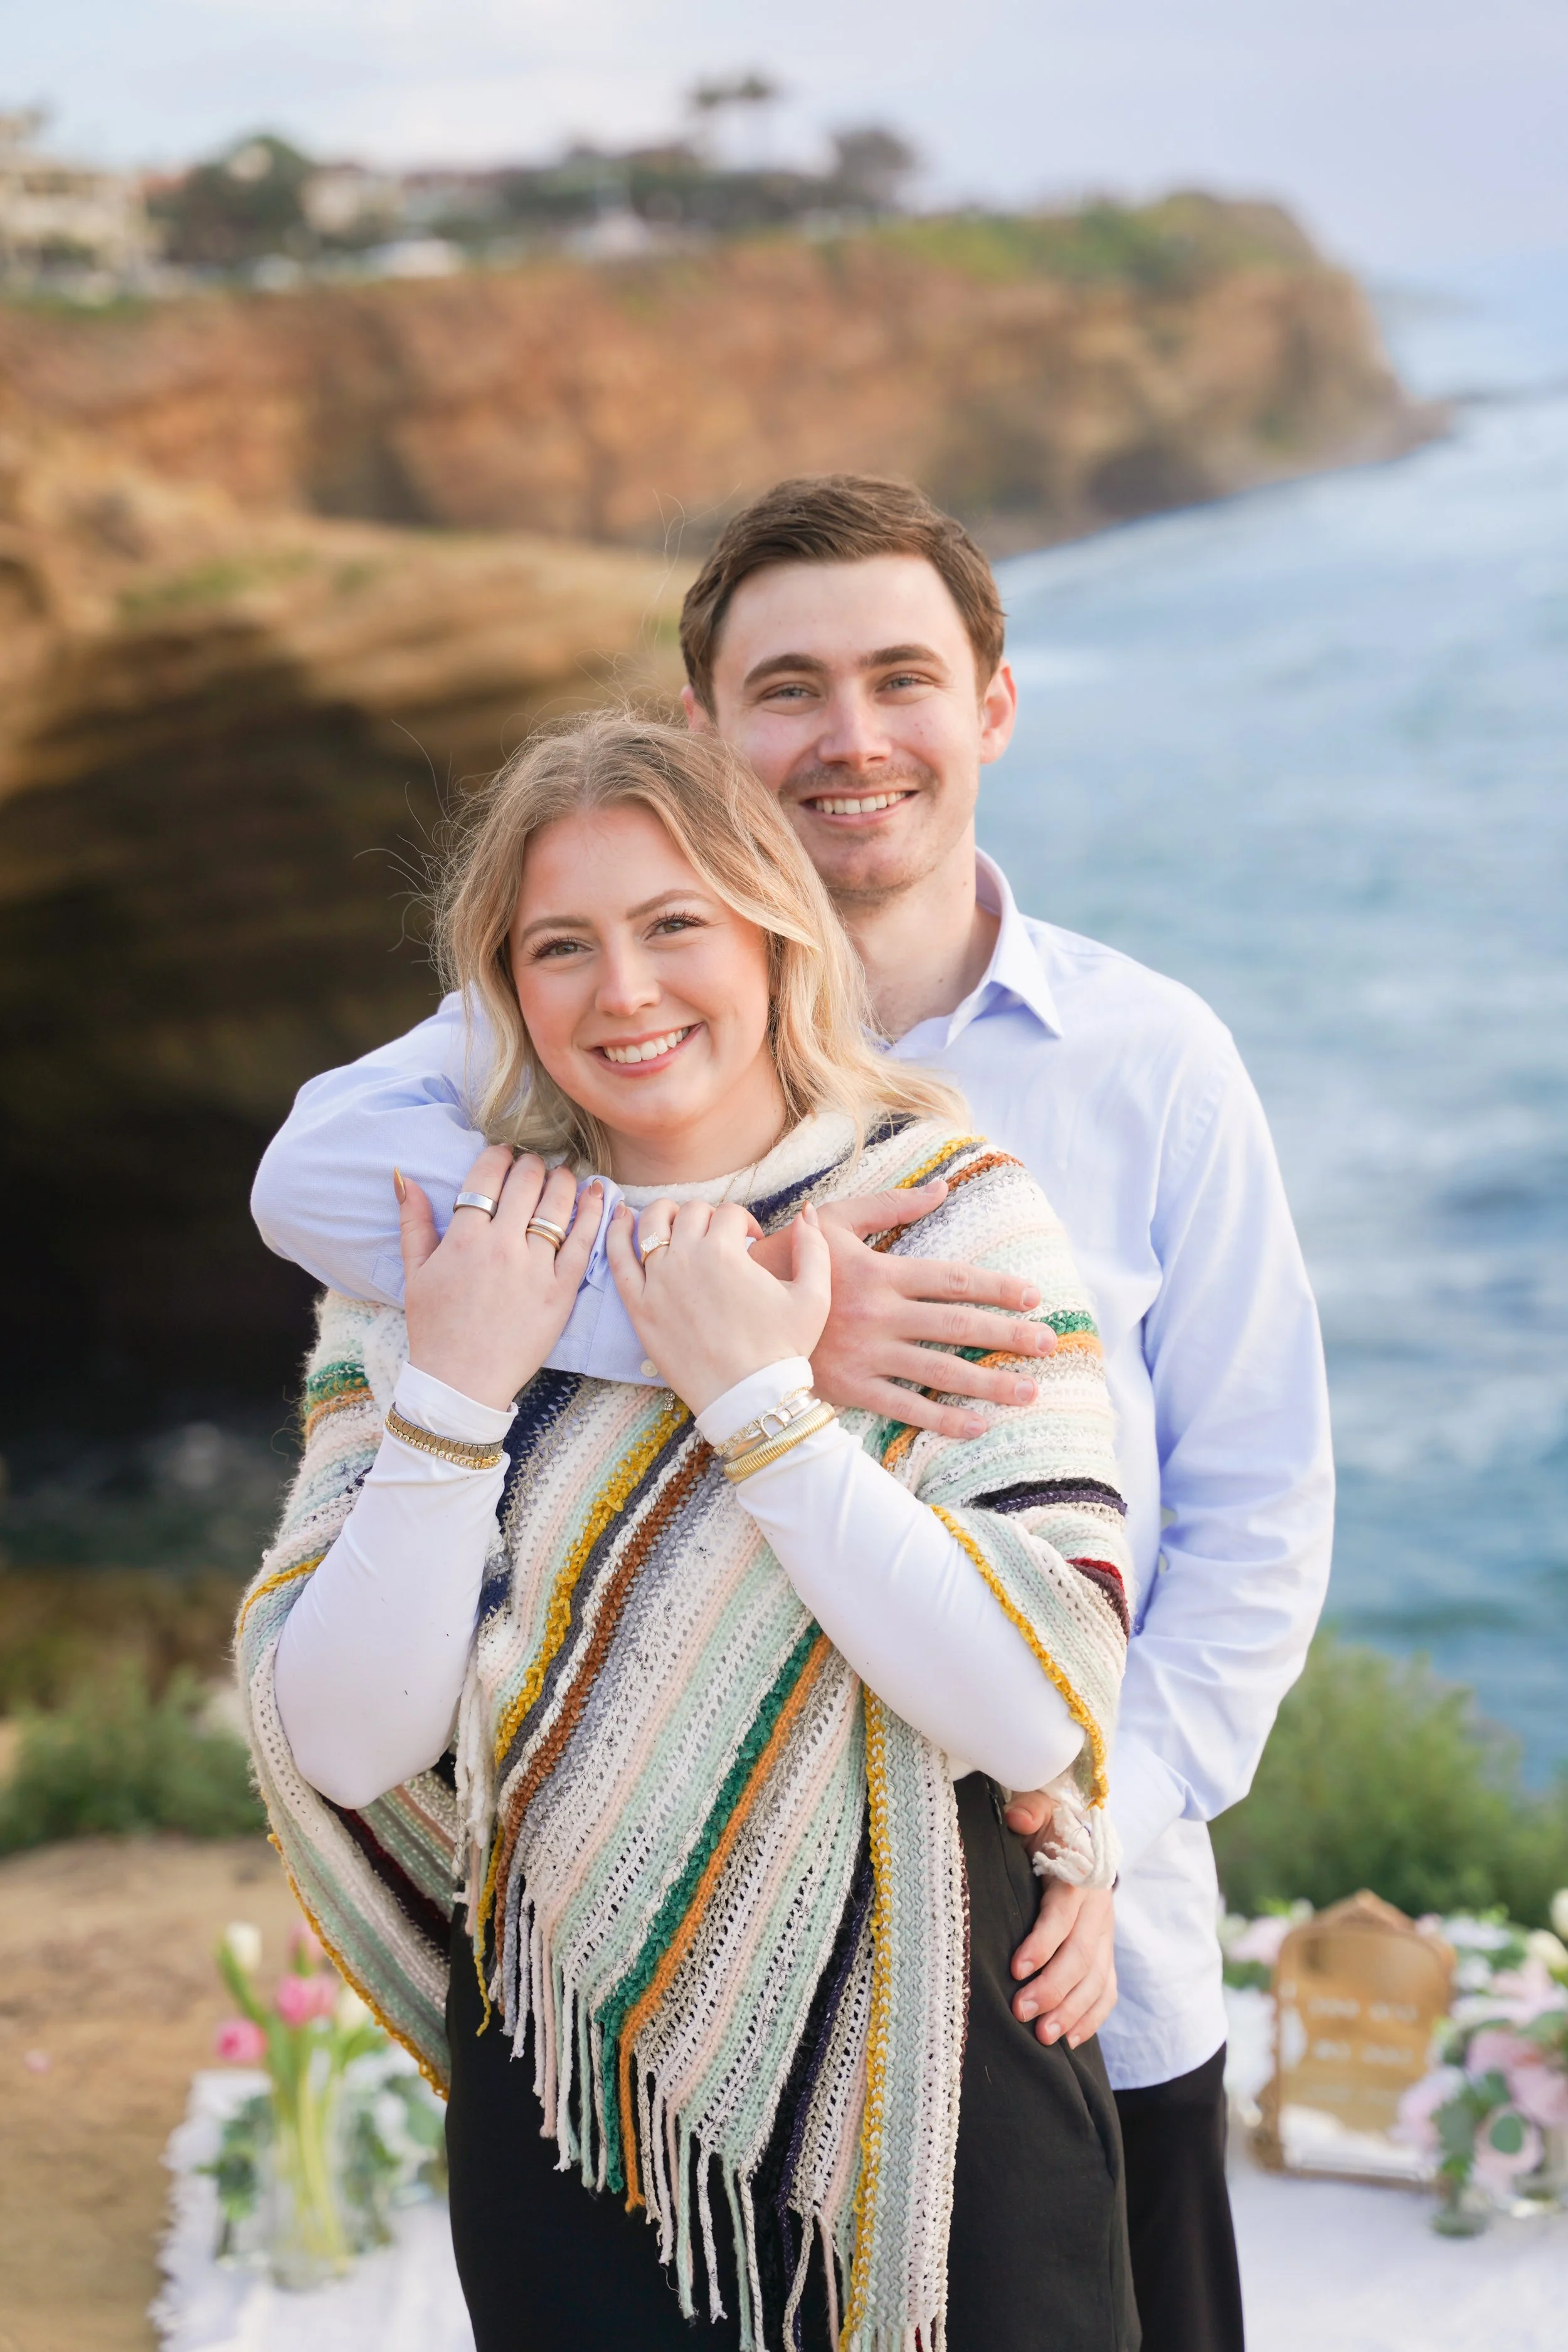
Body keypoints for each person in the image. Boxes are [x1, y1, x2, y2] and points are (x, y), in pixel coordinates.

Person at [251, 475, 1335, 2352]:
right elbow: (310, 1177)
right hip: (605, 2050)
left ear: (989, 704)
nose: (850, 739)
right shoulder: (493, 1122)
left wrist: (1103, 1817)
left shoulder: (1123, 1074)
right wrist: (655, 1306)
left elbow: (1252, 1516)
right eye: (788, 690)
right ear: (710, 737)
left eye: (901, 676)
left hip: (1043, 1954)